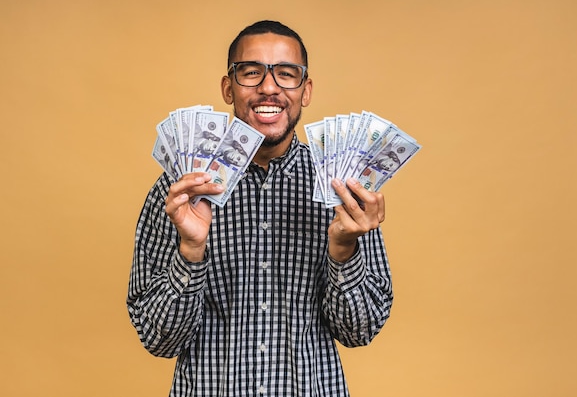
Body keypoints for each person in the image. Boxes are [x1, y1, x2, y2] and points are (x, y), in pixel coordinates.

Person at [127, 20, 393, 397]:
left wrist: (344, 250)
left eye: (287, 74)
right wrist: (189, 252)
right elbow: (158, 340)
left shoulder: (346, 190)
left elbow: (359, 331)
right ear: (228, 87)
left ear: (306, 90)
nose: (269, 88)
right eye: (251, 73)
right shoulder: (179, 190)